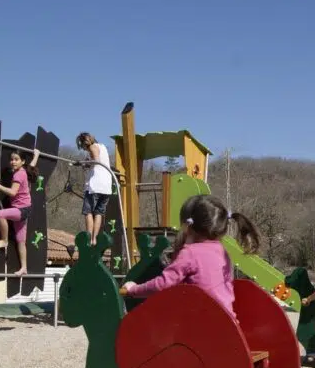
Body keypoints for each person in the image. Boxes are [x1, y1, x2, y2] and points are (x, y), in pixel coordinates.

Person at [120, 194, 260, 321]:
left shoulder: (190, 253)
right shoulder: (222, 252)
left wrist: (134, 290)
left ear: (187, 225)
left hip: (200, 325)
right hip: (228, 323)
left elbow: (163, 284)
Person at [0, 148, 40, 276]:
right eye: (11, 159)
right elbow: (32, 164)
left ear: (22, 161)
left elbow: (12, 192)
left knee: (0, 214)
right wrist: (36, 155)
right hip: (25, 209)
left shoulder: (18, 174)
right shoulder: (25, 170)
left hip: (21, 210)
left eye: (16, 159)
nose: (13, 162)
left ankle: (4, 240)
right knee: (21, 240)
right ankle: (24, 268)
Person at [76, 132, 113, 246]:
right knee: (99, 212)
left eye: (82, 146)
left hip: (95, 185)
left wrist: (83, 163)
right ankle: (94, 239)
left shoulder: (93, 147)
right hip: (106, 185)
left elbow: (96, 160)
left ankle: (88, 237)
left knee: (88, 211)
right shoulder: (103, 147)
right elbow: (98, 161)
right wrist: (86, 163)